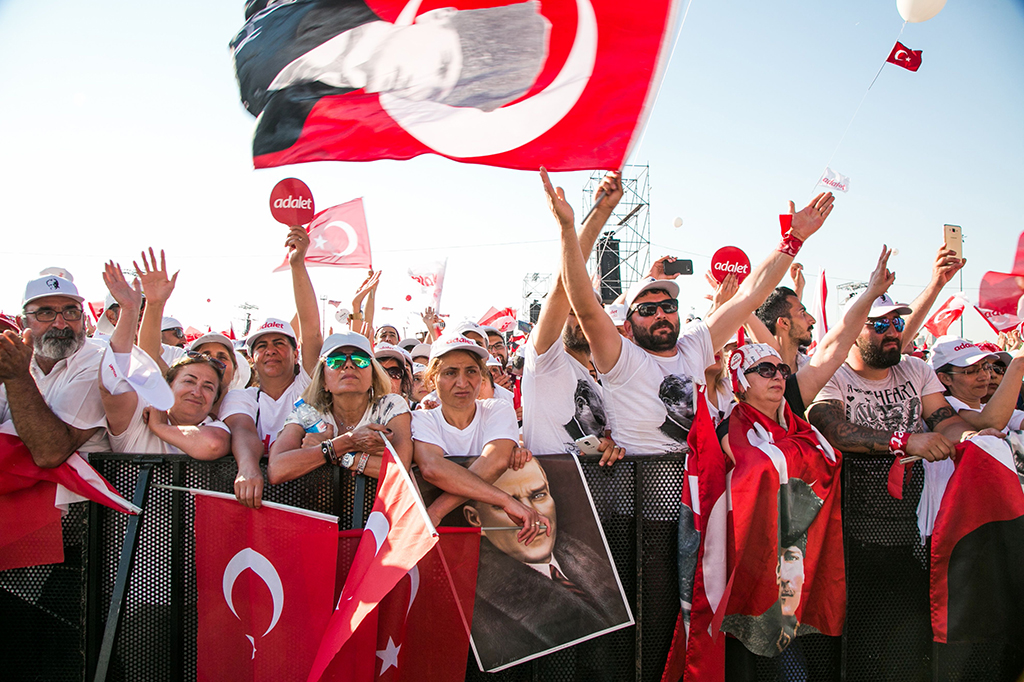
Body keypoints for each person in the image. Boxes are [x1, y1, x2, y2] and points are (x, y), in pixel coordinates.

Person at [558, 175, 836, 454]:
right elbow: (584, 304)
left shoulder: (695, 345)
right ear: (627, 328)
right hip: (647, 495)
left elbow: (749, 296)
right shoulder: (621, 359)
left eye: (668, 307)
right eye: (646, 309)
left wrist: (793, 239)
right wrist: (575, 227)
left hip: (704, 494)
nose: (660, 314)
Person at [806, 292, 997, 679]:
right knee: (855, 641)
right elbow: (834, 428)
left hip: (911, 530)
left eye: (896, 323)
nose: (892, 331)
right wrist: (904, 440)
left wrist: (973, 439)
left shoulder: (914, 369)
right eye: (879, 324)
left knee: (906, 638)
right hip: (849, 533)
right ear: (852, 330)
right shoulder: (831, 373)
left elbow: (943, 419)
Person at [232, 0, 551, 155]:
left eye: (439, 88)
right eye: (440, 63)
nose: (417, 77)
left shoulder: (299, 119)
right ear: (439, 17)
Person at [463, 457, 630, 671]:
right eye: (507, 503)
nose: (530, 516)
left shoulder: (586, 557)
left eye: (538, 495)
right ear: (475, 519)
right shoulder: (475, 595)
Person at [523, 169, 625, 463]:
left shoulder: (602, 383)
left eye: (585, 311)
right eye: (571, 312)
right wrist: (586, 221)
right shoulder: (544, 360)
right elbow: (562, 287)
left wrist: (611, 446)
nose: (579, 318)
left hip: (597, 501)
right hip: (550, 500)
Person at [411, 334, 543, 530]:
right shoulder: (421, 419)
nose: (462, 383)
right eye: (450, 373)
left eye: (471, 371)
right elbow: (432, 469)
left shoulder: (498, 409)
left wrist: (436, 511)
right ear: (432, 379)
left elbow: (495, 461)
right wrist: (505, 501)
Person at [99, 262, 231, 458]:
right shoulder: (136, 420)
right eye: (189, 381)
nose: (196, 392)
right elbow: (112, 382)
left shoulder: (214, 427)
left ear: (214, 402)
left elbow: (213, 444)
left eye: (209, 387)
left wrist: (159, 427)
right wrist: (130, 310)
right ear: (168, 386)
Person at [269, 332, 412, 482]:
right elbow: (276, 470)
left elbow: (399, 469)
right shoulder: (307, 412)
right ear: (323, 379)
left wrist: (330, 451)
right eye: (336, 361)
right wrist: (348, 443)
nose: (349, 365)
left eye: (360, 359)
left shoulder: (390, 405)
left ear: (373, 376)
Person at [0, 274, 109, 465]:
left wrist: (18, 377)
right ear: (21, 323)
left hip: (79, 493)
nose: (61, 323)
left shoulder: (101, 363)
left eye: (71, 312)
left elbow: (50, 453)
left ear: (83, 319)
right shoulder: (17, 361)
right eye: (45, 313)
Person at [930, 336, 1024, 434]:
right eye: (971, 371)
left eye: (985, 367)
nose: (984, 376)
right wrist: (1018, 364)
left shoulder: (985, 407)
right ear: (945, 378)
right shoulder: (947, 407)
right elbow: (990, 422)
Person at [755, 286, 814, 370]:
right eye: (802, 313)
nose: (812, 320)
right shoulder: (756, 373)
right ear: (784, 323)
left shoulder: (817, 369)